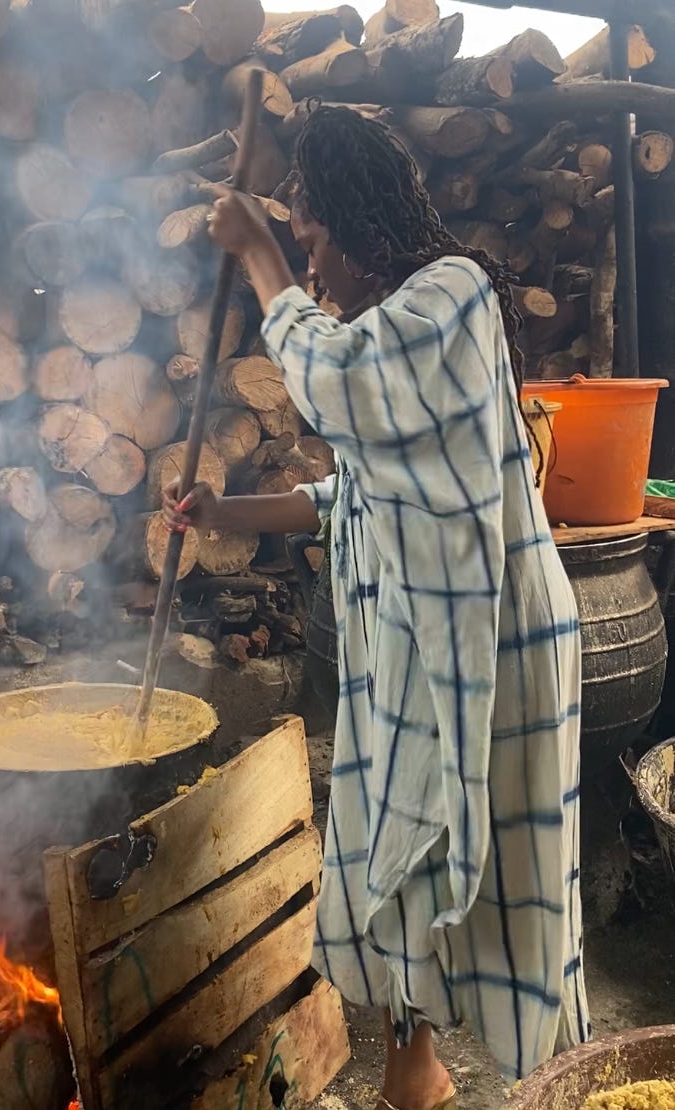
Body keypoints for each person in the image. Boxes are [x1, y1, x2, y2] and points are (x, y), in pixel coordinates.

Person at [163, 105, 590, 1110]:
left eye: (313, 241)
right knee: (393, 858)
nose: (310, 270)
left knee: (508, 878)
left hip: (492, 642)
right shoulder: (394, 338)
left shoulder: (453, 297)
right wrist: (225, 510)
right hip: (410, 653)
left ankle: (558, 1083)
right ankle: (415, 1076)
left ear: (357, 227)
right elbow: (347, 493)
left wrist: (259, 254)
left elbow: (338, 383)